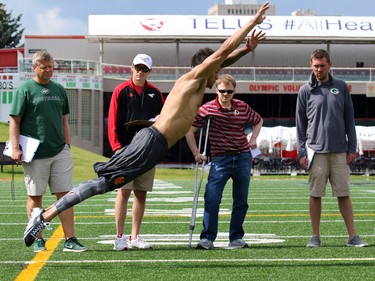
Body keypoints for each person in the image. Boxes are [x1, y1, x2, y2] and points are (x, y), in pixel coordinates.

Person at [23, 2, 270, 248]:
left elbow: (223, 60)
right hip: (151, 142)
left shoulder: (197, 82)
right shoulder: (194, 78)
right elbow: (224, 50)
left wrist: (247, 49)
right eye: (216, 72)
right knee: (107, 183)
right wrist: (252, 22)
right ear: (207, 68)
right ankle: (43, 216)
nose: (218, 78)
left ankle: (44, 216)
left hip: (155, 145)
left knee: (109, 183)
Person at [9, 50, 86, 252]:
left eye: (51, 66)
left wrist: (67, 145)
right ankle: (38, 239)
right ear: (34, 68)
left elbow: (63, 120)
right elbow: (14, 120)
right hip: (34, 153)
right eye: (44, 67)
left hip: (59, 150)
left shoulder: (59, 89)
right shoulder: (24, 89)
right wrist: (15, 147)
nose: (49, 70)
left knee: (66, 196)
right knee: (36, 196)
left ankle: (70, 239)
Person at [296, 49, 369, 248]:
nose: (319, 69)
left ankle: (353, 236)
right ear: (311, 65)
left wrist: (351, 149)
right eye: (316, 66)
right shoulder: (304, 90)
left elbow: (349, 120)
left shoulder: (341, 87)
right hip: (315, 151)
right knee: (315, 194)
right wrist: (302, 152)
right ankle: (315, 236)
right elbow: (300, 125)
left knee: (344, 194)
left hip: (339, 151)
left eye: (323, 66)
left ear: (330, 65)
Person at [185, 74, 263, 249]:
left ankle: (236, 237)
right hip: (220, 160)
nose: (226, 94)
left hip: (243, 157)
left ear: (234, 91)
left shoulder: (242, 106)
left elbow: (258, 121)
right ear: (216, 90)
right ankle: (207, 237)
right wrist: (196, 153)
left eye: (229, 91)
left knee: (241, 200)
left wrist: (253, 139)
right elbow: (189, 131)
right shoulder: (208, 109)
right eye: (222, 91)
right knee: (212, 199)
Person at [108, 54, 165, 250]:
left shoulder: (156, 93)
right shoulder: (120, 90)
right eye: (138, 68)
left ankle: (135, 237)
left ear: (150, 71)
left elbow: (163, 121)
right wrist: (116, 149)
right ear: (131, 67)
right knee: (123, 192)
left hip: (147, 151)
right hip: (125, 150)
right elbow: (112, 121)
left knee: (141, 194)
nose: (140, 72)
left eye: (145, 69)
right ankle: (119, 237)